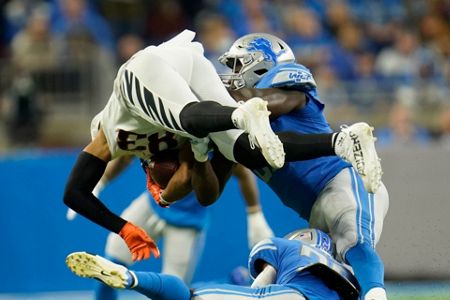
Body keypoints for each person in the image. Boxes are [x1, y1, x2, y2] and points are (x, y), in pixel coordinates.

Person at [63, 29, 381, 269]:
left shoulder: (109, 132)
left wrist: (122, 226)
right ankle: (342, 141)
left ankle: (240, 113)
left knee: (185, 118)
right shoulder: (174, 149)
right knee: (247, 148)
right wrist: (133, 223)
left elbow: (75, 192)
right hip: (191, 67)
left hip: (144, 69)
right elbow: (184, 191)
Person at [218, 33, 389, 300]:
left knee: (352, 241)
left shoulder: (288, 87)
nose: (233, 73)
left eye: (239, 64)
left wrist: (234, 105)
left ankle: (377, 296)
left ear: (261, 64)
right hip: (314, 208)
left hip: (341, 180)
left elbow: (271, 104)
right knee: (315, 270)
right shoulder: (237, 120)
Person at [83, 154, 273, 300]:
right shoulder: (160, 121)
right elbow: (126, 154)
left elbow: (242, 171)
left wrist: (255, 213)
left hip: (186, 222)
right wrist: (100, 181)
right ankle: (231, 281)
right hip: (152, 205)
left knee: (172, 291)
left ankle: (228, 283)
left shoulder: (213, 134)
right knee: (112, 258)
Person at [66, 228, 360, 300]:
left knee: (188, 295)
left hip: (290, 297)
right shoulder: (346, 274)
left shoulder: (285, 246)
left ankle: (131, 278)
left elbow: (259, 289)